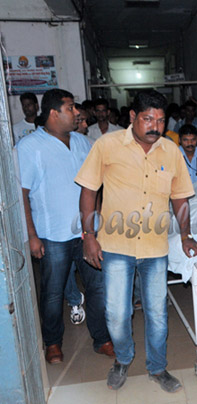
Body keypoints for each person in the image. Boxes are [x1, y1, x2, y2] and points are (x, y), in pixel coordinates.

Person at [75, 89, 197, 392]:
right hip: (115, 245)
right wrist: (89, 236)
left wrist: (186, 235)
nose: (155, 126)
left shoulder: (170, 150)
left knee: (157, 312)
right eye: (148, 119)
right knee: (117, 313)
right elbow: (89, 191)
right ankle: (122, 358)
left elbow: (180, 197)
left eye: (160, 120)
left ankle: (157, 367)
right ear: (132, 117)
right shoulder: (107, 145)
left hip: (155, 247)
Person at [16, 88, 114, 364]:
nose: (77, 113)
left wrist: (98, 221)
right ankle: (52, 343)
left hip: (86, 233)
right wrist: (32, 235)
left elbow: (95, 186)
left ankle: (102, 338)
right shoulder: (29, 147)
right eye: (70, 108)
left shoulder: (83, 143)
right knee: (53, 292)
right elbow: (22, 194)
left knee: (98, 287)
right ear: (53, 113)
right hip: (52, 235)